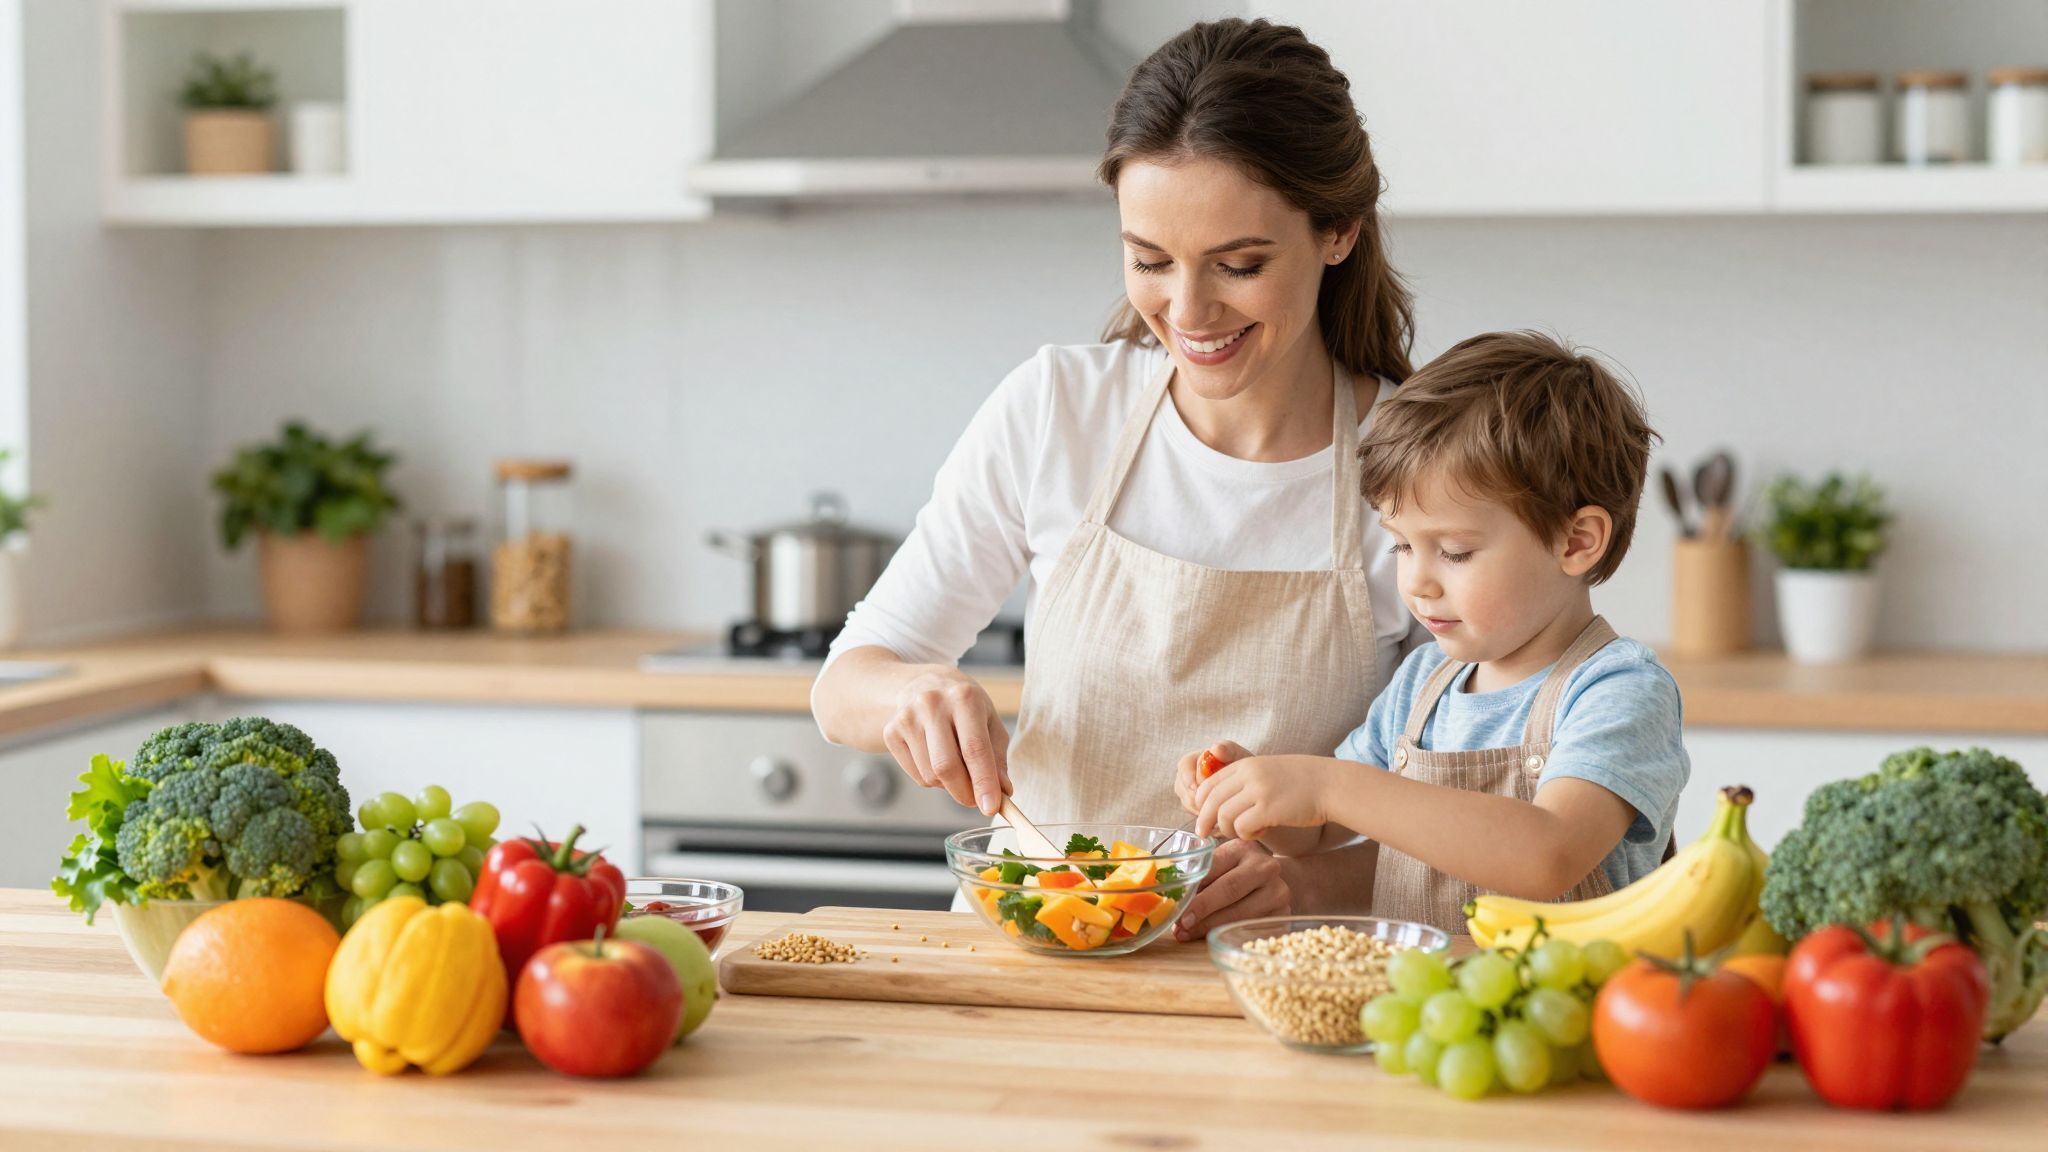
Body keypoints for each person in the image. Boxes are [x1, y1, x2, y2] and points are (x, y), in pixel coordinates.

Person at [811, 18, 1428, 937]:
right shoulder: (1060, 407)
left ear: (1337, 230)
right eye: (1149, 260)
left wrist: (1309, 886)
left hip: (1269, 984)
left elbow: (1471, 817)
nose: (1188, 311)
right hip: (1024, 966)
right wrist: (909, 693)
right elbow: (845, 683)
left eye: (1241, 265)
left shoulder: (1420, 469)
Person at [1177, 331, 1690, 934]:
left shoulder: (1618, 690)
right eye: (1400, 544)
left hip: (1568, 1014)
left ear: (1576, 541)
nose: (1417, 582)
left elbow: (1547, 854)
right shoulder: (1425, 686)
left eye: (1454, 552)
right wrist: (1259, 796)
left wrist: (1330, 784)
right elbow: (1316, 833)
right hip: (1421, 1013)